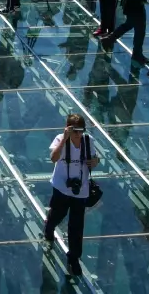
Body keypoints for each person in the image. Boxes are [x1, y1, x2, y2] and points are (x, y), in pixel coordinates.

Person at [44, 113, 99, 277]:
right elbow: (53, 158)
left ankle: (74, 258)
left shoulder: (88, 141)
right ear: (67, 128)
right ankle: (49, 226)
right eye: (74, 130)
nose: (77, 134)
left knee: (76, 226)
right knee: (58, 214)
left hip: (80, 189)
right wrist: (64, 139)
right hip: (62, 187)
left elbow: (96, 159)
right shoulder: (60, 139)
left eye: (80, 131)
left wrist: (94, 162)